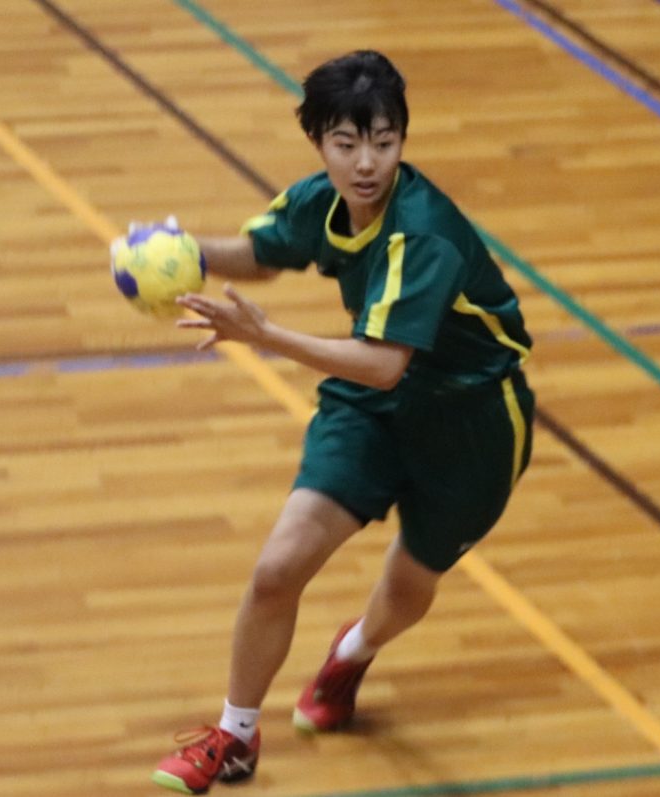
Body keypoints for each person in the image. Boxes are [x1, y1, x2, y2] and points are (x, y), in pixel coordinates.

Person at [141, 50, 535, 795]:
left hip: (472, 422)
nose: (366, 163)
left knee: (409, 584)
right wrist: (179, 256)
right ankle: (235, 735)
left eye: (384, 142)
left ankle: (352, 652)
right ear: (319, 141)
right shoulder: (322, 200)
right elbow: (263, 251)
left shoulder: (424, 234)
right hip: (370, 407)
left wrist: (265, 336)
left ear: (401, 142)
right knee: (276, 568)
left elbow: (386, 359)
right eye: (348, 143)